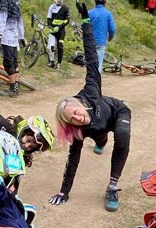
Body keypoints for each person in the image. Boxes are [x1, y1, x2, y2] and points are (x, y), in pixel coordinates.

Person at [51, 2, 132, 212]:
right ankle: (101, 141)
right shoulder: (78, 130)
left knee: (121, 136)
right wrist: (64, 192)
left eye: (75, 112)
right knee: (99, 135)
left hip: (116, 112)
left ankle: (112, 186)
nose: (77, 118)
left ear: (78, 103)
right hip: (99, 128)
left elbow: (91, 54)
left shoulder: (91, 89)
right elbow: (73, 160)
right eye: (72, 120)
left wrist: (86, 21)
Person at [0, 0, 25, 96]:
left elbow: (2, 18)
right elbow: (20, 21)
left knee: (8, 63)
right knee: (14, 61)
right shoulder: (16, 2)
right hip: (15, 36)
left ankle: (13, 89)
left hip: (6, 36)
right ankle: (15, 87)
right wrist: (21, 36)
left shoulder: (4, 2)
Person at [88, 0, 116, 73]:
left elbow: (84, 26)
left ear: (95, 2)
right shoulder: (108, 14)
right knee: (99, 63)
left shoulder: (89, 12)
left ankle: (90, 80)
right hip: (101, 42)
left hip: (90, 42)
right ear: (105, 3)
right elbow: (112, 29)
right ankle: (96, 82)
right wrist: (110, 38)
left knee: (90, 63)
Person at [46, 0, 70, 69]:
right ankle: (52, 62)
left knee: (60, 47)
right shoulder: (51, 7)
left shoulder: (66, 8)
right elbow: (48, 18)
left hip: (61, 31)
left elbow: (67, 20)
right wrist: (50, 26)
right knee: (49, 47)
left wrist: (59, 27)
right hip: (53, 31)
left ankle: (59, 63)